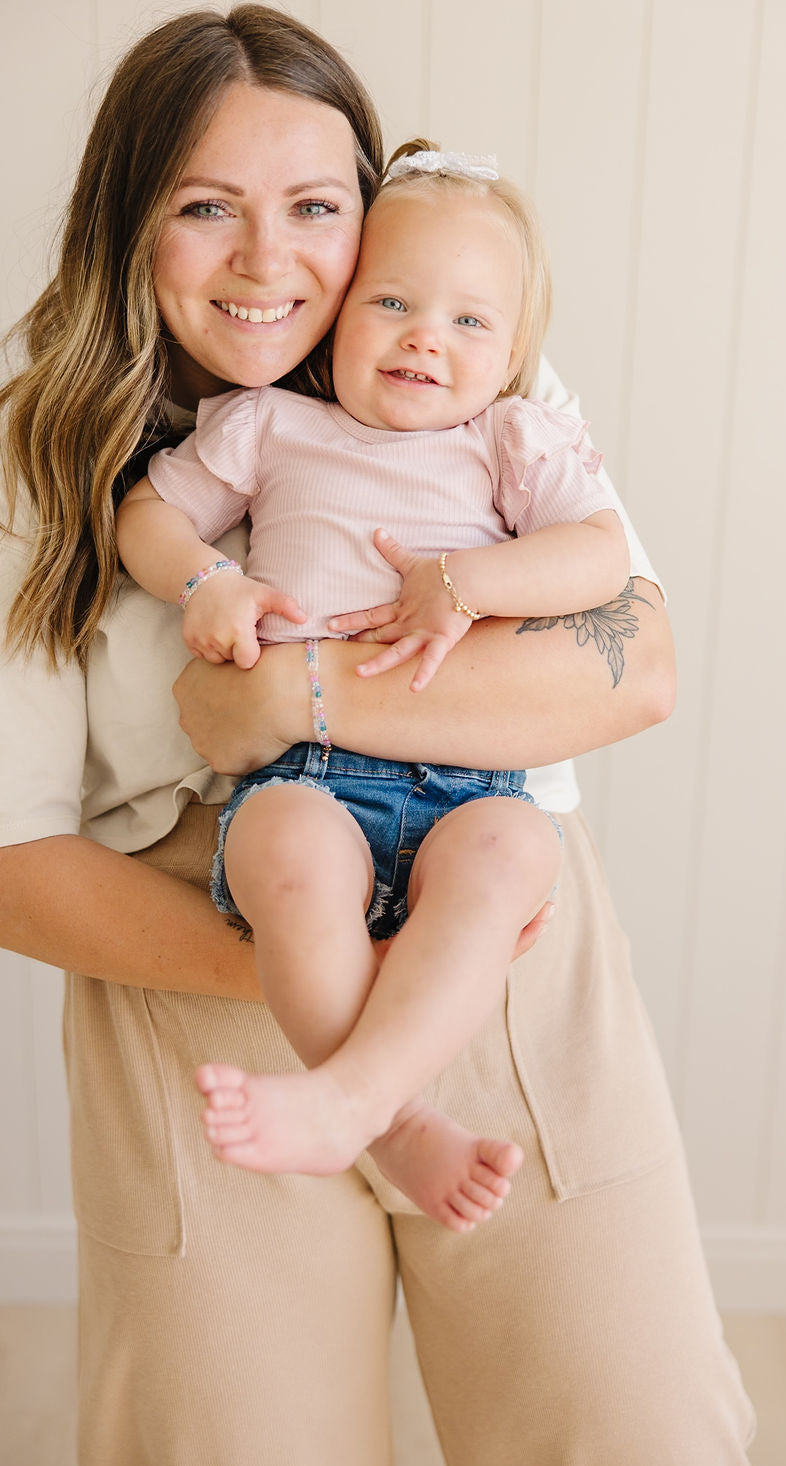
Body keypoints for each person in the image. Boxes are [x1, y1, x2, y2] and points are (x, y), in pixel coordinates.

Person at [0, 6, 760, 1466]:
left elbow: (635, 661)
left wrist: (298, 695)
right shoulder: (27, 454)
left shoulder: (472, 357)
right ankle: (353, 1095)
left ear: (371, 212)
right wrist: (313, 963)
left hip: (496, 936)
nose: (271, 260)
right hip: (216, 983)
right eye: (205, 205)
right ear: (128, 219)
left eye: (317, 206)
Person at [115, 144, 630, 1231]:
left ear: (515, 352)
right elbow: (148, 517)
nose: (424, 337)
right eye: (391, 300)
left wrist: (468, 579)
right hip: (312, 775)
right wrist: (206, 577)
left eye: (468, 322)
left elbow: (600, 557)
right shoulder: (275, 427)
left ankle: (351, 1098)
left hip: (472, 784)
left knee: (513, 856)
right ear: (339, 306)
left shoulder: (509, 443)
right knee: (282, 854)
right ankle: (398, 1125)